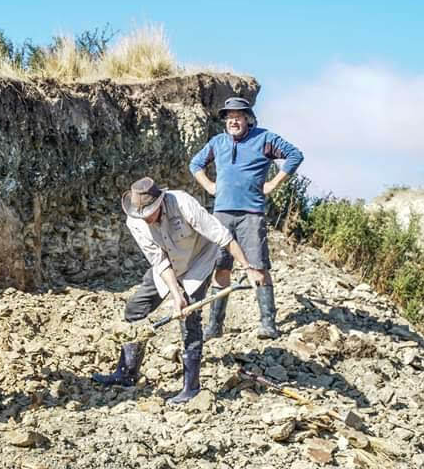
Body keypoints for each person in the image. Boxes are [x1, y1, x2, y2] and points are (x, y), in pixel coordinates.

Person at [92, 177, 264, 404]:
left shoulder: (183, 203)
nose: (146, 218)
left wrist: (248, 267)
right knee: (134, 310)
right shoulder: (135, 222)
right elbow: (159, 260)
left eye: (150, 213)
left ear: (160, 202)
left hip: (197, 262)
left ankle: (191, 388)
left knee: (190, 321)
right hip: (167, 267)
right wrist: (175, 293)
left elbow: (222, 236)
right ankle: (127, 373)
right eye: (141, 215)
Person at [189, 96, 303, 340]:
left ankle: (268, 324)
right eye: (229, 118)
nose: (233, 121)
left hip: (251, 215)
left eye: (238, 117)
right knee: (220, 267)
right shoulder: (218, 142)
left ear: (247, 119)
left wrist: (273, 183)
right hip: (221, 214)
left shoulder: (264, 138)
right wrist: (209, 186)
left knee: (258, 266)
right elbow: (195, 164)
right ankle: (214, 326)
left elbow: (295, 155)